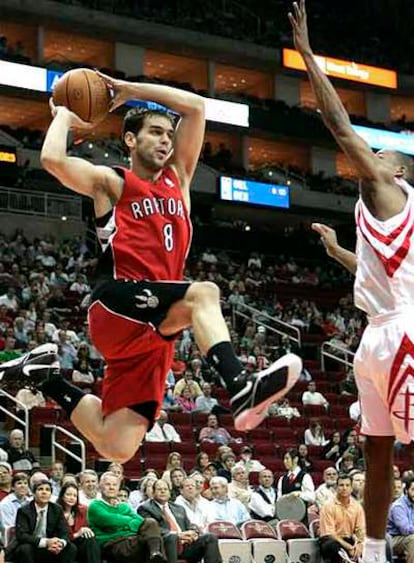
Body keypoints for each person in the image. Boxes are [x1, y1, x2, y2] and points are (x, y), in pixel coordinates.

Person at [0, 77, 301, 462]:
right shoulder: (113, 182)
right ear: (130, 140)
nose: (165, 141)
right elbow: (52, 160)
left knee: (117, 446)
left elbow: (196, 106)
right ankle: (240, 385)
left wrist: (128, 89)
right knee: (204, 293)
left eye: (168, 135)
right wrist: (63, 116)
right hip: (118, 303)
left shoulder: (180, 181)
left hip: (154, 325)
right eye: (155, 132)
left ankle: (46, 375)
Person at [289, 2, 414, 561]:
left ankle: (372, 554)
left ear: (399, 173)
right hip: (389, 332)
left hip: (382, 341)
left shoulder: (390, 194)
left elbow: (340, 126)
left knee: (380, 454)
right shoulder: (380, 212)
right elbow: (373, 275)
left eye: (378, 155)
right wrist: (339, 249)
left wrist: (311, 56)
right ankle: (371, 551)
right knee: (377, 454)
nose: (366, 160)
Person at [88, 472, 165, 563]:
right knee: (152, 541)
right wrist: (130, 522)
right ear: (100, 487)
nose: (111, 487)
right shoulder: (95, 506)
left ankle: (155, 553)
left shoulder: (124, 506)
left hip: (132, 540)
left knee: (150, 523)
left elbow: (140, 521)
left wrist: (123, 523)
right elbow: (111, 521)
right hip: (113, 544)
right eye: (107, 484)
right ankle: (156, 555)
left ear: (118, 488)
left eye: (115, 485)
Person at [138, 479, 222, 563]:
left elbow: (189, 525)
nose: (163, 491)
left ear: (169, 492)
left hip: (185, 545)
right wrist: (178, 535)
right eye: (159, 489)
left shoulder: (178, 508)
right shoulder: (145, 508)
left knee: (210, 537)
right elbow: (151, 529)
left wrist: (193, 532)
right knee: (172, 537)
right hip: (165, 545)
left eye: (165, 489)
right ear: (153, 493)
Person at [8, 479, 77, 563]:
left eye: (47, 490)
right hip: (33, 546)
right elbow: (22, 535)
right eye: (40, 489)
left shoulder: (57, 509)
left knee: (71, 548)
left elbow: (64, 532)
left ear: (51, 494)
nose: (44, 492)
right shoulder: (24, 510)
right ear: (33, 493)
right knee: (25, 549)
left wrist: (60, 543)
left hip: (52, 548)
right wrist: (46, 542)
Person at [319, 474, 366, 563]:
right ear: (336, 487)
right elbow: (330, 534)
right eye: (341, 485)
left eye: (347, 485)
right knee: (332, 545)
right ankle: (346, 561)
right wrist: (348, 547)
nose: (344, 488)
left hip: (348, 539)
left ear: (351, 488)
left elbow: (360, 530)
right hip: (330, 540)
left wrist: (359, 545)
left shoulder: (357, 506)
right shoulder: (328, 506)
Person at [56, 482, 101, 563]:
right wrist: (77, 534)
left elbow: (88, 528)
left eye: (74, 496)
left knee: (90, 539)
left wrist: (87, 530)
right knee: (71, 548)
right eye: (68, 495)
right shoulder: (55, 511)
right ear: (62, 496)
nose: (72, 498)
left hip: (80, 544)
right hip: (63, 545)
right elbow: (58, 536)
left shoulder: (83, 510)